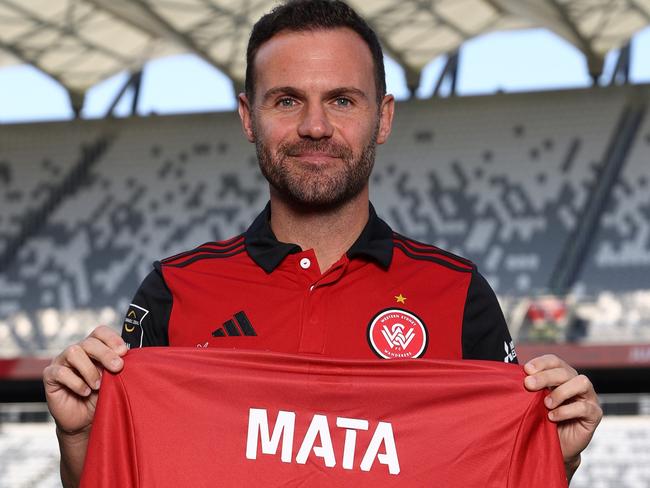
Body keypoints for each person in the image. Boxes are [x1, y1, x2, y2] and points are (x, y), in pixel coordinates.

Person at [43, 1, 602, 486]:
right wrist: (82, 442)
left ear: (382, 118)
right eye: (286, 100)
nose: (315, 126)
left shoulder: (459, 295)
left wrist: (553, 455)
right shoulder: (172, 290)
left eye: (341, 100)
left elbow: (495, 471)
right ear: (248, 117)